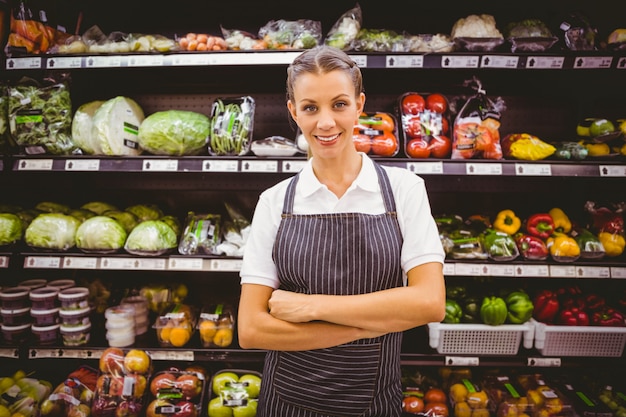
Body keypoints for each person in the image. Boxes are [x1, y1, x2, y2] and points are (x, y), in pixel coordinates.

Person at [237, 45, 446, 417]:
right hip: (285, 402)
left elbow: (430, 302)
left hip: (373, 402)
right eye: (310, 108)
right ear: (293, 112)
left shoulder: (403, 190)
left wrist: (313, 306)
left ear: (359, 105)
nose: (326, 123)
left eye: (339, 104)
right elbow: (252, 329)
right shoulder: (274, 201)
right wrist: (365, 327)